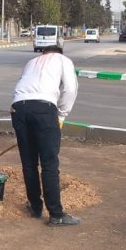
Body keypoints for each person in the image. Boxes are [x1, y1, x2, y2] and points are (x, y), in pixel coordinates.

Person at [10, 45, 80, 226]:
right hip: (44, 108)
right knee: (49, 163)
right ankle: (56, 214)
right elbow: (70, 89)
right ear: (58, 53)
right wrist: (62, 114)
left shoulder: (31, 62)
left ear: (43, 53)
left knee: (29, 163)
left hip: (18, 108)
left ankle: (35, 207)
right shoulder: (63, 60)